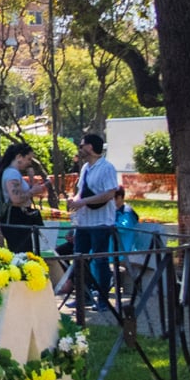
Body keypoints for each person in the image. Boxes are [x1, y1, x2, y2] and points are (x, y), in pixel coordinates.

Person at [69, 132, 123, 315]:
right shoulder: (85, 168)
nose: (80, 147)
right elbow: (81, 192)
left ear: (90, 147)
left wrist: (83, 202)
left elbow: (109, 193)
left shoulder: (107, 168)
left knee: (100, 261)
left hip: (100, 222)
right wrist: (75, 200)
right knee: (79, 258)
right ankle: (83, 296)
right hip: (84, 221)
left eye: (82, 144)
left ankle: (103, 299)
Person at [0, 140, 44, 256]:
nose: (29, 163)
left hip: (15, 217)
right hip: (16, 217)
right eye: (29, 159)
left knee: (23, 254)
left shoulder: (11, 172)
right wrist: (33, 191)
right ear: (19, 157)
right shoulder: (12, 173)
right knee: (22, 255)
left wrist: (31, 182)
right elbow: (16, 199)